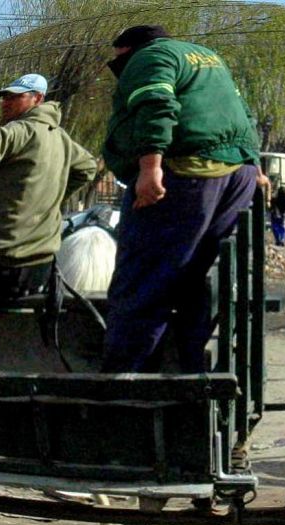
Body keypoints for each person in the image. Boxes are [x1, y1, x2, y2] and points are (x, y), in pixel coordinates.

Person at [101, 25, 267, 373]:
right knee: (194, 280)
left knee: (142, 282)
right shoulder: (207, 57)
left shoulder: (152, 56)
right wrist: (255, 164)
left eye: (120, 63)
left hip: (187, 173)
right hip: (235, 176)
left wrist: (151, 167)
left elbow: (156, 102)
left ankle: (127, 385)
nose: (120, 72)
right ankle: (188, 374)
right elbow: (242, 114)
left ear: (132, 49)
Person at [0, 73, 97, 300]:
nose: (6, 103)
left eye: (15, 97)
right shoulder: (61, 139)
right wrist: (50, 198)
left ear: (38, 99)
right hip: (39, 269)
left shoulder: (21, 131)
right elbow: (88, 167)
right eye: (5, 98)